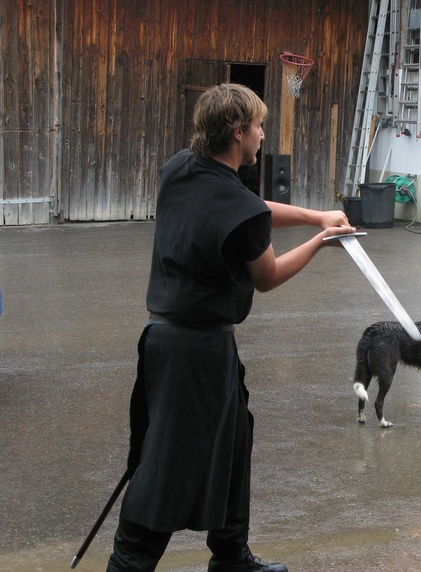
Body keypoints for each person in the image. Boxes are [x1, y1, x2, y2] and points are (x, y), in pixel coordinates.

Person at [107, 83, 355, 572]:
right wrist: (322, 241)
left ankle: (231, 557)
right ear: (239, 132)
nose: (263, 135)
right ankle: (128, 563)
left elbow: (249, 210)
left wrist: (314, 216)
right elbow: (267, 275)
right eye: (259, 126)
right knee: (167, 465)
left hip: (166, 340)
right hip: (196, 354)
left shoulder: (180, 168)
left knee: (236, 439)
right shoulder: (237, 207)